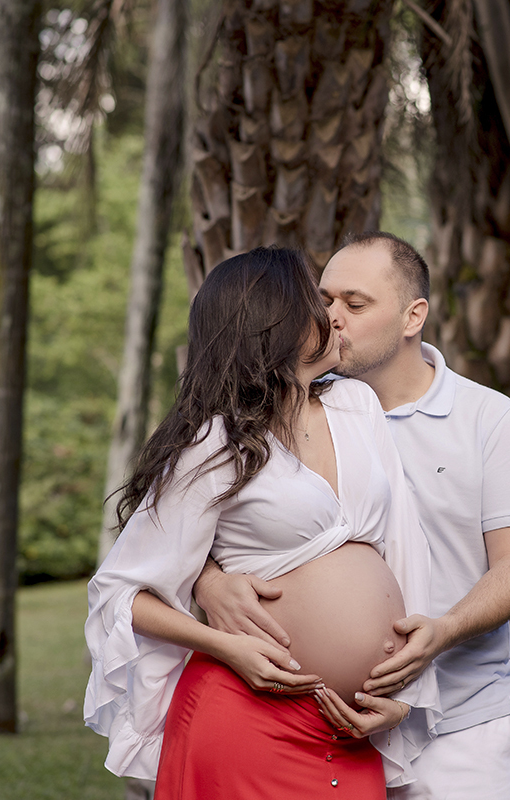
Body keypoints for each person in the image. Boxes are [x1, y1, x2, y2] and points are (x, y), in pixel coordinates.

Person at [195, 232, 510, 799]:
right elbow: (192, 519)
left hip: (457, 730)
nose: (332, 317)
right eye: (325, 300)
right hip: (312, 732)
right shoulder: (287, 405)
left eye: (355, 304)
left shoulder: (491, 419)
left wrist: (444, 630)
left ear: (414, 316)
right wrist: (209, 583)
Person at [83, 246, 441, 799]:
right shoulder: (215, 444)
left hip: (352, 729)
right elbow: (123, 594)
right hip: (248, 716)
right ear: (275, 323)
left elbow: (403, 548)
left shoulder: (357, 406)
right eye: (316, 303)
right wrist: (225, 645)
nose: (333, 316)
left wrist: (407, 697)